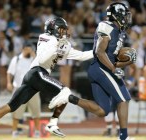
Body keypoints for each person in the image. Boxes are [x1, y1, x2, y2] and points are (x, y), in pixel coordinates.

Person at [0, 17, 94, 140]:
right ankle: (52, 123)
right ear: (53, 29)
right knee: (65, 92)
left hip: (36, 77)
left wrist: (98, 50)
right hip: (37, 72)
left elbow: (81, 56)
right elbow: (42, 59)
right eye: (61, 29)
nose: (64, 32)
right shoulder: (46, 38)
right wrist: (57, 45)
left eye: (65, 30)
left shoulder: (64, 44)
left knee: (11, 106)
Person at [48, 2, 136, 140]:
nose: (126, 18)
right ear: (116, 15)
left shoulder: (119, 32)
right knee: (124, 99)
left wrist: (126, 62)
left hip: (102, 68)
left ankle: (69, 98)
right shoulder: (106, 26)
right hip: (101, 68)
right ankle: (124, 137)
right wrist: (114, 69)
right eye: (124, 15)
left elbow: (111, 56)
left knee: (102, 111)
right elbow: (100, 52)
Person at [7, 42, 41, 138]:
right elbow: (9, 72)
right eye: (27, 49)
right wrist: (9, 82)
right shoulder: (16, 59)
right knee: (16, 111)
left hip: (33, 89)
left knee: (36, 111)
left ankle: (37, 132)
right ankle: (14, 132)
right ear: (23, 49)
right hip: (19, 88)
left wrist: (34, 54)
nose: (28, 51)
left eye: (30, 49)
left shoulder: (34, 60)